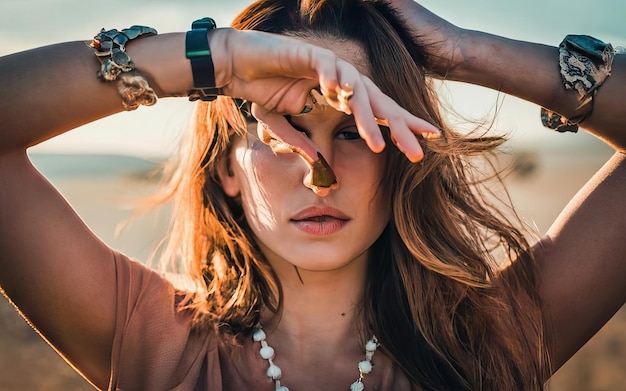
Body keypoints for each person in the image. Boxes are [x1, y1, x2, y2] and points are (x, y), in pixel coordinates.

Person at [0, 0, 624, 389]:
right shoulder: (147, 339)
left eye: (357, 131)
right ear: (227, 170)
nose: (318, 172)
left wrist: (463, 53)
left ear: (404, 159)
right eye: (284, 136)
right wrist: (211, 59)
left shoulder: (493, 338)